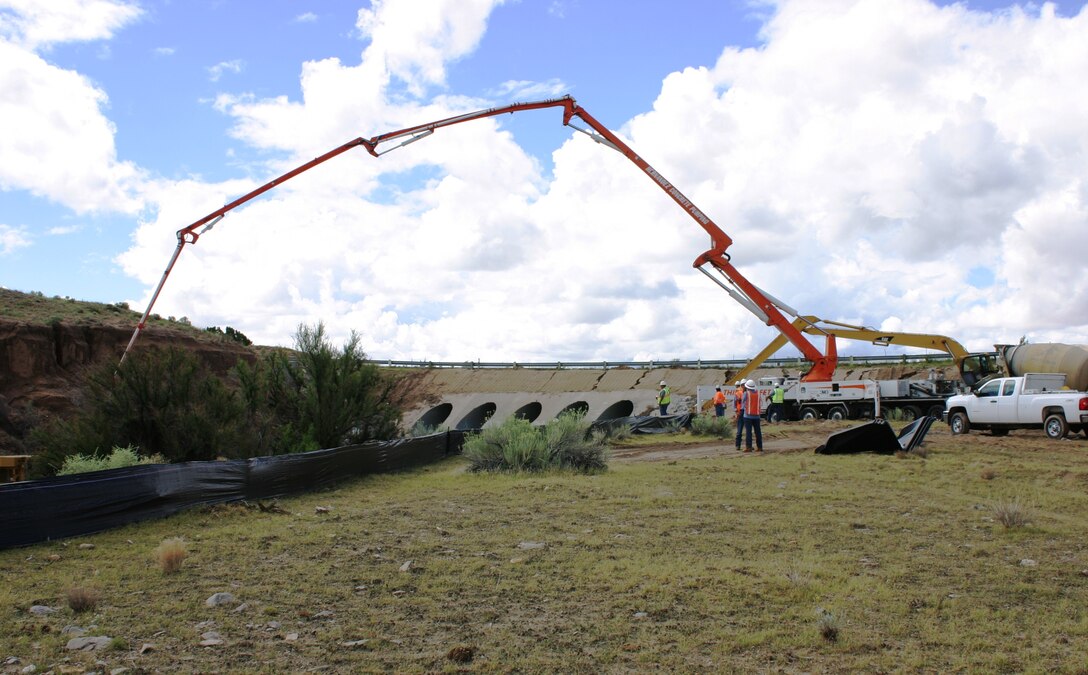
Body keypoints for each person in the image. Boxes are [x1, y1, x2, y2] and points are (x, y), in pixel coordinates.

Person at [742, 379, 764, 452]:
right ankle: (760, 447)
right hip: (757, 416)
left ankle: (749, 447)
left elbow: (743, 402)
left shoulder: (746, 393)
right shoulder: (758, 393)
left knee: (748, 432)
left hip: (747, 416)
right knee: (758, 432)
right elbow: (761, 403)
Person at [733, 380, 745, 450]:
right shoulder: (746, 392)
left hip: (740, 412)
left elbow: (735, 403)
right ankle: (748, 445)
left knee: (739, 430)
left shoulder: (737, 392)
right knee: (748, 430)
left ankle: (738, 445)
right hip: (745, 412)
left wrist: (736, 411)